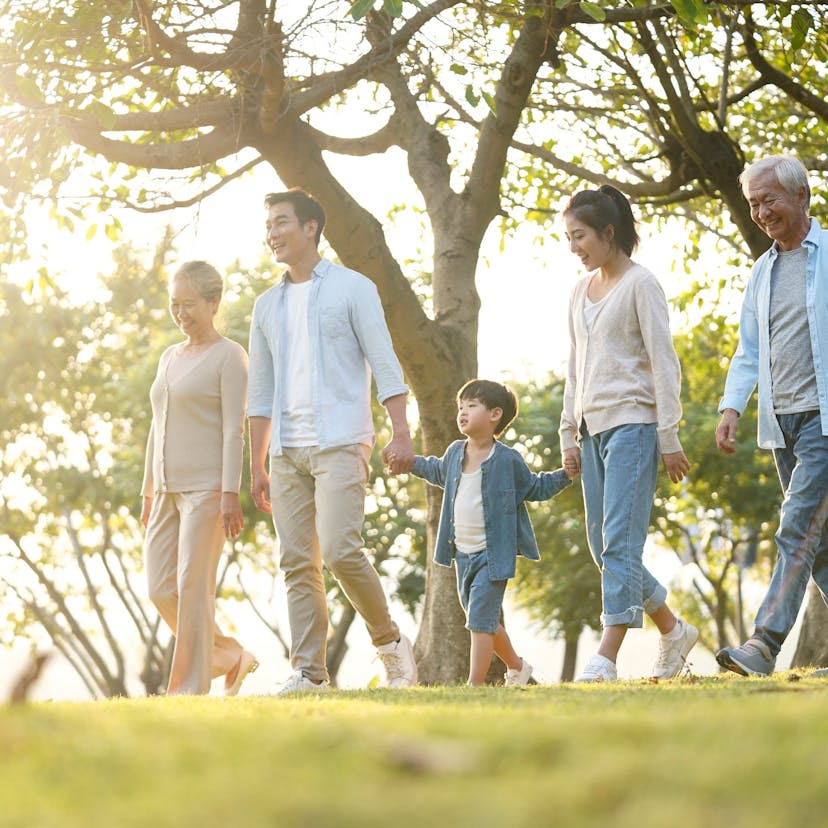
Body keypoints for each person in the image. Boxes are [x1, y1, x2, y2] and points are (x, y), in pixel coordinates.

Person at [248, 188, 418, 694]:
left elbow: (384, 360)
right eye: (268, 225)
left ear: (310, 228)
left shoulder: (353, 288)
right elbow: (260, 390)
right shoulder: (265, 305)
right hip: (286, 451)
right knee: (297, 562)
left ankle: (390, 643)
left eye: (281, 222)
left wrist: (401, 430)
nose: (272, 233)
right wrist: (257, 463)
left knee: (342, 550)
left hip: (341, 439)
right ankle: (310, 673)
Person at [559, 184, 697, 683]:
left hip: (635, 426)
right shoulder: (579, 291)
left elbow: (664, 362)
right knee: (603, 547)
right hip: (591, 429)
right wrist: (568, 433)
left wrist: (668, 436)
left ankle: (606, 657)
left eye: (580, 236)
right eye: (569, 238)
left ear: (608, 232)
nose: (574, 247)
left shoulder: (642, 285)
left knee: (619, 542)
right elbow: (575, 366)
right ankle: (673, 629)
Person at [715, 155, 828, 677]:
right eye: (753, 204)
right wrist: (732, 406)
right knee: (820, 547)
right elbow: (749, 349)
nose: (761, 213)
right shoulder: (762, 271)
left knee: (796, 528)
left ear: (801, 196)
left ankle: (763, 645)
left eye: (769, 200)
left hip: (824, 420)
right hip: (782, 423)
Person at [403, 379, 574, 686]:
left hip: (492, 556)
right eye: (460, 406)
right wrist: (409, 462)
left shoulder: (507, 460)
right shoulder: (455, 453)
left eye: (471, 405)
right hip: (462, 554)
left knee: (480, 619)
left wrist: (566, 474)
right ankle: (517, 668)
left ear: (495, 414)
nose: (462, 412)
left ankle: (475, 684)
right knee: (483, 620)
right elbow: (435, 470)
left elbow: (536, 487)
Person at [141, 260, 258, 696]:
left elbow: (234, 429)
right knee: (159, 588)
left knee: (193, 588)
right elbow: (156, 425)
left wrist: (230, 491)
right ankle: (230, 656)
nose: (181, 313)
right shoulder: (168, 356)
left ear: (214, 302)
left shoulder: (230, 356)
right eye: (175, 304)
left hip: (208, 489)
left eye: (190, 304)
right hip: (165, 490)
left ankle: (188, 690)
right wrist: (148, 491)